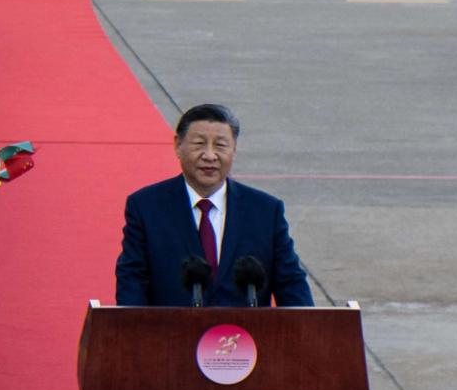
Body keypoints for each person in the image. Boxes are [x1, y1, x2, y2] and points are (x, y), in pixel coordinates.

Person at [115, 103, 313, 307]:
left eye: (220, 145)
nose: (209, 155)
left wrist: (308, 331)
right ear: (177, 145)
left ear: (234, 149)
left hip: (245, 336)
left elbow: (291, 283)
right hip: (172, 335)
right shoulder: (146, 206)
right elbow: (132, 281)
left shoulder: (265, 211)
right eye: (199, 144)